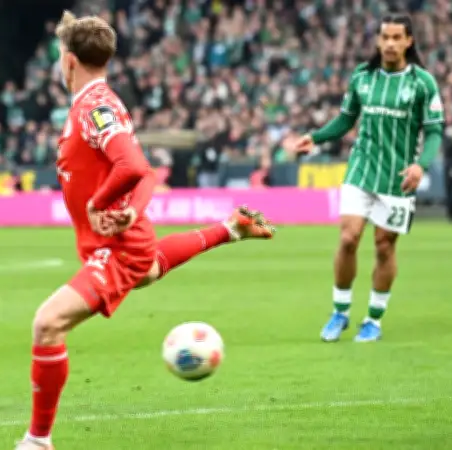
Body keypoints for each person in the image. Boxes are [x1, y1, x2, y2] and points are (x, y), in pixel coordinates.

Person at [14, 12, 276, 450]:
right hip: (120, 237)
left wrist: (100, 203)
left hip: (114, 245)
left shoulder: (93, 108)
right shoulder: (102, 103)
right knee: (148, 267)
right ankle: (231, 228)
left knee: (48, 323)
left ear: (68, 60)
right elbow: (146, 173)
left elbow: (134, 167)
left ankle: (38, 441)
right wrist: (133, 212)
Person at [291, 13, 443, 343]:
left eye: (396, 37)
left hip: (398, 177)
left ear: (408, 41)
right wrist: (315, 138)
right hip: (361, 169)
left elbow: (433, 131)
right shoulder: (362, 76)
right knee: (348, 238)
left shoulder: (423, 83)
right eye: (385, 37)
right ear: (377, 40)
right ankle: (340, 312)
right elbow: (346, 120)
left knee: (384, 247)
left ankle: (373, 319)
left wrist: (421, 165)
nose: (390, 43)